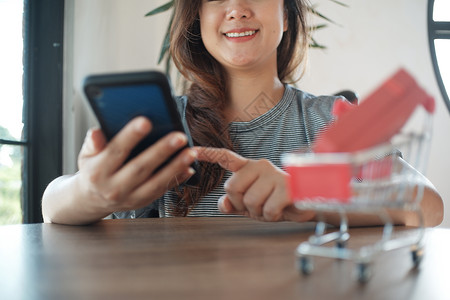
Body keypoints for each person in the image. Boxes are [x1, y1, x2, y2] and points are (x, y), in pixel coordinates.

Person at [42, 0, 443, 227]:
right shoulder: (163, 126)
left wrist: (308, 195)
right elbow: (52, 206)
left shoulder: (333, 117)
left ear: (286, 15)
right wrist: (89, 192)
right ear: (197, 19)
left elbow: (427, 204)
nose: (236, 8)